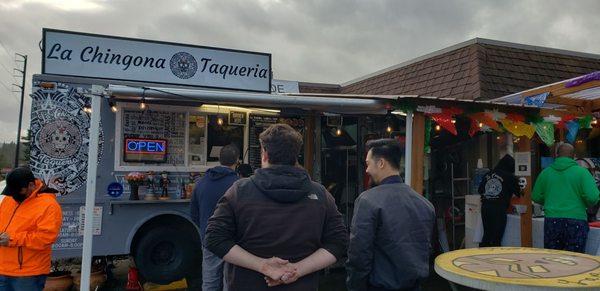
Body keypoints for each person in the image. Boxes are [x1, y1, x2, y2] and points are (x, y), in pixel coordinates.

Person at [205, 124, 348, 291]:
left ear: (264, 154)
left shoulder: (239, 191)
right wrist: (296, 270)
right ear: (296, 155)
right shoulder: (321, 195)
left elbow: (214, 239)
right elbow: (338, 242)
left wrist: (263, 266)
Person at [346, 139, 435, 291]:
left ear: (381, 163)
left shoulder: (368, 200)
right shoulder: (425, 204)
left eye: (368, 164)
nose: (366, 170)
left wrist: (355, 286)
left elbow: (359, 254)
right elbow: (425, 249)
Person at [0, 167, 62, 291]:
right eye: (11, 191)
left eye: (18, 191)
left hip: (28, 273)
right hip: (3, 269)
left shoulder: (49, 205)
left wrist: (12, 239)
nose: (14, 195)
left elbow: (45, 238)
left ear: (31, 185)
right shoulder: (9, 199)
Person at [532, 143, 600, 253]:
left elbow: (535, 196)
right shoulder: (582, 173)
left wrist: (549, 199)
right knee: (575, 260)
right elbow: (593, 198)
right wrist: (584, 203)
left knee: (553, 258)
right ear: (574, 156)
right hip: (576, 220)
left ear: (556, 155)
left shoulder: (546, 173)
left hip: (552, 220)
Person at [190, 144, 240, 291]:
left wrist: (207, 229)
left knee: (210, 282)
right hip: (233, 243)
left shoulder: (201, 183)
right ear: (237, 161)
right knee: (229, 283)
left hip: (209, 240)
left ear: (219, 159)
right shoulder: (239, 185)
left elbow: (194, 214)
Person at [477, 154, 520, 247]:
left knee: (487, 235)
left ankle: (482, 257)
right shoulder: (510, 176)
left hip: (485, 208)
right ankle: (495, 258)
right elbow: (520, 193)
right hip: (499, 209)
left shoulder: (488, 174)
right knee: (497, 237)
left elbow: (480, 190)